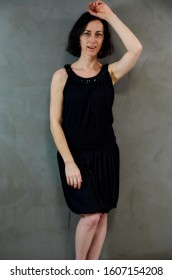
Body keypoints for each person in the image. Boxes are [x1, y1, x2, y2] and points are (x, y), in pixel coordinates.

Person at [50, 0, 142, 260]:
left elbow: (136, 49)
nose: (92, 39)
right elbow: (54, 122)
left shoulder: (109, 73)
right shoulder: (62, 76)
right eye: (87, 33)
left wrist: (109, 15)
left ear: (104, 41)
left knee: (100, 215)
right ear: (78, 37)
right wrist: (69, 162)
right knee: (90, 217)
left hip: (106, 154)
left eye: (98, 34)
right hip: (75, 157)